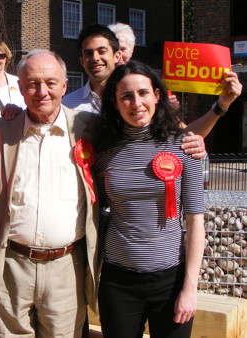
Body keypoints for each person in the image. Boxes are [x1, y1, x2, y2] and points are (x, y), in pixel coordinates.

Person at [0, 49, 99, 337]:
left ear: (64, 85)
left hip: (66, 269)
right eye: (32, 83)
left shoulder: (89, 129)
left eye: (50, 82)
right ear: (19, 88)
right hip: (10, 267)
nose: (41, 91)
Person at [92, 60, 205, 337]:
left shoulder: (183, 145)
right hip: (119, 283)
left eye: (143, 93)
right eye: (126, 96)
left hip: (171, 280)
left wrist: (190, 288)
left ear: (157, 95)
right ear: (115, 103)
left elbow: (195, 221)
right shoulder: (103, 149)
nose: (136, 103)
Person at [63, 24, 242, 156]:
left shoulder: (145, 102)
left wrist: (221, 105)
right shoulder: (67, 104)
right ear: (81, 60)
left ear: (117, 55)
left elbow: (186, 136)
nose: (95, 58)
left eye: (102, 51)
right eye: (88, 53)